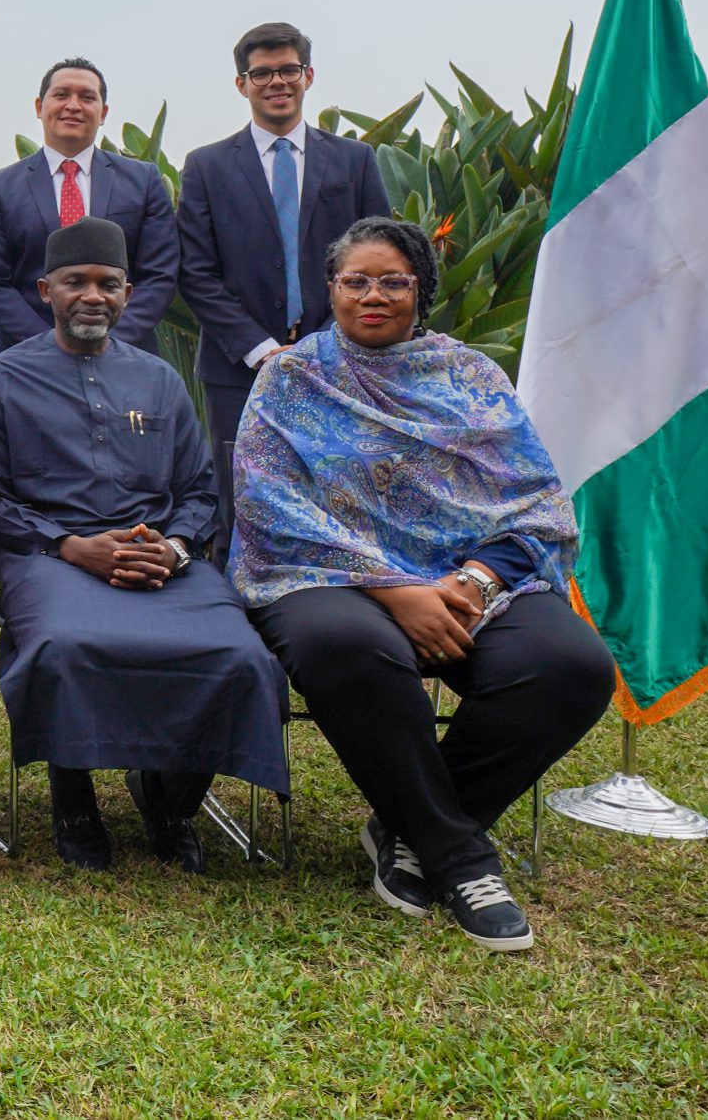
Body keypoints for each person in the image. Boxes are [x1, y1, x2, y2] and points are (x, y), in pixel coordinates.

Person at [232, 217, 616, 952]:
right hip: (321, 574)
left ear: (421, 290)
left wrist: (473, 580)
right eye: (355, 281)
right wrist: (392, 589)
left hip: (468, 579)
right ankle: (461, 858)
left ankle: (407, 827)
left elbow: (534, 502)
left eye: (393, 281)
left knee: (571, 667)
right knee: (347, 648)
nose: (373, 295)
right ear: (331, 290)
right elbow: (266, 501)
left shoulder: (470, 377)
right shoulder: (291, 377)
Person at [0, 217, 288, 874]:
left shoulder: (160, 380)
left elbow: (199, 489)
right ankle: (73, 799)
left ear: (127, 294)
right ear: (46, 290)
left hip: (157, 556)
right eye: (75, 282)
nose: (92, 296)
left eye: (108, 284)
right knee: (63, 646)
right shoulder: (4, 379)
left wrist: (175, 549)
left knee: (239, 655)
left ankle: (169, 797)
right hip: (48, 556)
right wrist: (71, 546)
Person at [175, 22, 391, 453]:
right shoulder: (206, 167)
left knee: (342, 483)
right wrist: (259, 349)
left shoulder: (355, 161)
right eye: (261, 73)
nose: (277, 82)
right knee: (242, 488)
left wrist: (323, 345)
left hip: (341, 365)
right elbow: (195, 272)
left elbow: (380, 260)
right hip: (238, 372)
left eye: (289, 70)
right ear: (242, 84)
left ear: (308, 76)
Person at [0, 57, 180, 352]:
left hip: (125, 355)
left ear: (103, 113)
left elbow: (159, 274)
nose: (73, 105)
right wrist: (52, 348)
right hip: (28, 356)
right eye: (61, 95)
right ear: (39, 107)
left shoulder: (143, 180)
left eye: (87, 97)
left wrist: (110, 345)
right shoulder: (0, 187)